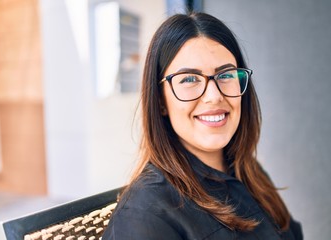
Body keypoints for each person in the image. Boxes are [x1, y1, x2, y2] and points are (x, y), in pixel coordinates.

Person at [102, 12, 303, 239]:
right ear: (160, 101)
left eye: (226, 75)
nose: (214, 96)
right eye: (189, 79)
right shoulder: (143, 217)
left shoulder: (250, 173)